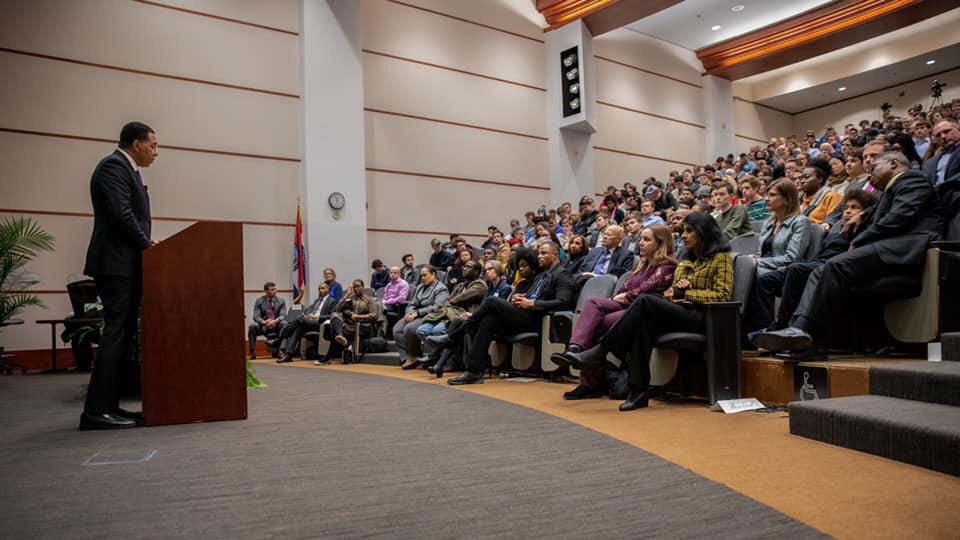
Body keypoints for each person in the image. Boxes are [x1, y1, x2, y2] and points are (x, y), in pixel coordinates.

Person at [756, 152, 944, 358]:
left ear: (893, 163)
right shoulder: (889, 192)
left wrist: (859, 240)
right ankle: (806, 338)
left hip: (907, 248)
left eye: (873, 168)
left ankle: (803, 332)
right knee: (821, 271)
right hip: (890, 248)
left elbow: (899, 217)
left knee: (836, 265)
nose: (870, 174)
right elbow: (883, 211)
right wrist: (863, 214)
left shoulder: (912, 179)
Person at [555, 213, 733, 411]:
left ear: (704, 232)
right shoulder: (685, 261)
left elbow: (723, 296)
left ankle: (602, 351)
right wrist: (675, 292)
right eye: (683, 231)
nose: (683, 235)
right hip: (679, 311)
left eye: (689, 231)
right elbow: (671, 292)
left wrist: (688, 293)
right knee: (642, 324)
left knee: (645, 300)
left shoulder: (721, 259)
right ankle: (638, 391)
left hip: (703, 317)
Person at [80, 121, 158, 430]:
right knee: (114, 335)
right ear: (136, 144)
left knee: (121, 336)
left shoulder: (128, 171)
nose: (156, 152)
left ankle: (110, 406)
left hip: (125, 264)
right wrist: (147, 246)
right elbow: (121, 214)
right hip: (115, 265)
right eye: (152, 145)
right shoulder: (113, 166)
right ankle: (96, 411)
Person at [552, 225, 677, 400]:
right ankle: (575, 349)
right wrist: (624, 295)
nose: (641, 243)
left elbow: (647, 290)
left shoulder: (667, 266)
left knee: (596, 324)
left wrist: (625, 296)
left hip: (641, 312)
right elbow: (626, 287)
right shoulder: (643, 265)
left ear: (661, 243)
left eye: (647, 240)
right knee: (593, 302)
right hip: (626, 304)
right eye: (640, 239)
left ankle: (589, 383)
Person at [440, 242, 575, 385]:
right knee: (488, 320)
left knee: (492, 301)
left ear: (555, 255)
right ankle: (474, 372)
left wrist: (532, 303)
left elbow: (564, 302)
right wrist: (522, 298)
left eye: (543, 253)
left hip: (538, 319)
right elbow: (532, 296)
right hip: (524, 314)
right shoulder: (542, 276)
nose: (539, 256)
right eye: (539, 253)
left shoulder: (563, 274)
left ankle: (454, 335)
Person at [410, 260, 486, 370]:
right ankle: (437, 359)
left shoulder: (480, 284)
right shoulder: (461, 285)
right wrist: (450, 302)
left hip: (463, 316)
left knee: (439, 331)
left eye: (468, 267)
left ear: (476, 271)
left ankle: (439, 360)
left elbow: (462, 298)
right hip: (448, 314)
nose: (464, 268)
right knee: (421, 330)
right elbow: (447, 300)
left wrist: (451, 302)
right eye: (464, 266)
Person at [394, 265, 449, 366]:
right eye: (421, 276)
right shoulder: (419, 287)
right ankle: (408, 356)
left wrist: (417, 314)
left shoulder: (441, 289)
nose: (422, 278)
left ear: (433, 274)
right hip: (414, 314)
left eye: (425, 275)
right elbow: (412, 303)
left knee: (409, 329)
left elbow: (437, 307)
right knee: (396, 330)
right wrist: (409, 313)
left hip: (430, 316)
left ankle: (413, 355)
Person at [278, 282, 336, 363]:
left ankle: (281, 336)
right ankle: (289, 355)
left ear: (328, 289)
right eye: (319, 289)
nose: (320, 290)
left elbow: (331, 316)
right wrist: (307, 315)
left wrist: (316, 317)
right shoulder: (317, 301)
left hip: (320, 323)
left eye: (322, 288)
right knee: (298, 327)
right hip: (310, 322)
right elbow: (308, 310)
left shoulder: (332, 301)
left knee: (299, 319)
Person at [325, 280, 381, 363]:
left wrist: (358, 316)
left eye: (358, 286)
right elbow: (337, 309)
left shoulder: (369, 300)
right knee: (334, 315)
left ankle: (329, 356)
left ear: (363, 287)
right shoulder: (350, 298)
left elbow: (374, 315)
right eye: (354, 287)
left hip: (360, 324)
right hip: (347, 323)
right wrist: (346, 295)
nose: (356, 288)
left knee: (334, 329)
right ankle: (340, 337)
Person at [248, 281, 288, 359]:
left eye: (275, 289)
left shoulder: (281, 301)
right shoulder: (259, 301)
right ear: (266, 291)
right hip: (264, 325)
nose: (275, 291)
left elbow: (283, 315)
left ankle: (281, 350)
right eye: (272, 289)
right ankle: (252, 351)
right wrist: (264, 322)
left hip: (276, 324)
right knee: (252, 326)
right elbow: (256, 316)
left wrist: (275, 321)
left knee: (285, 324)